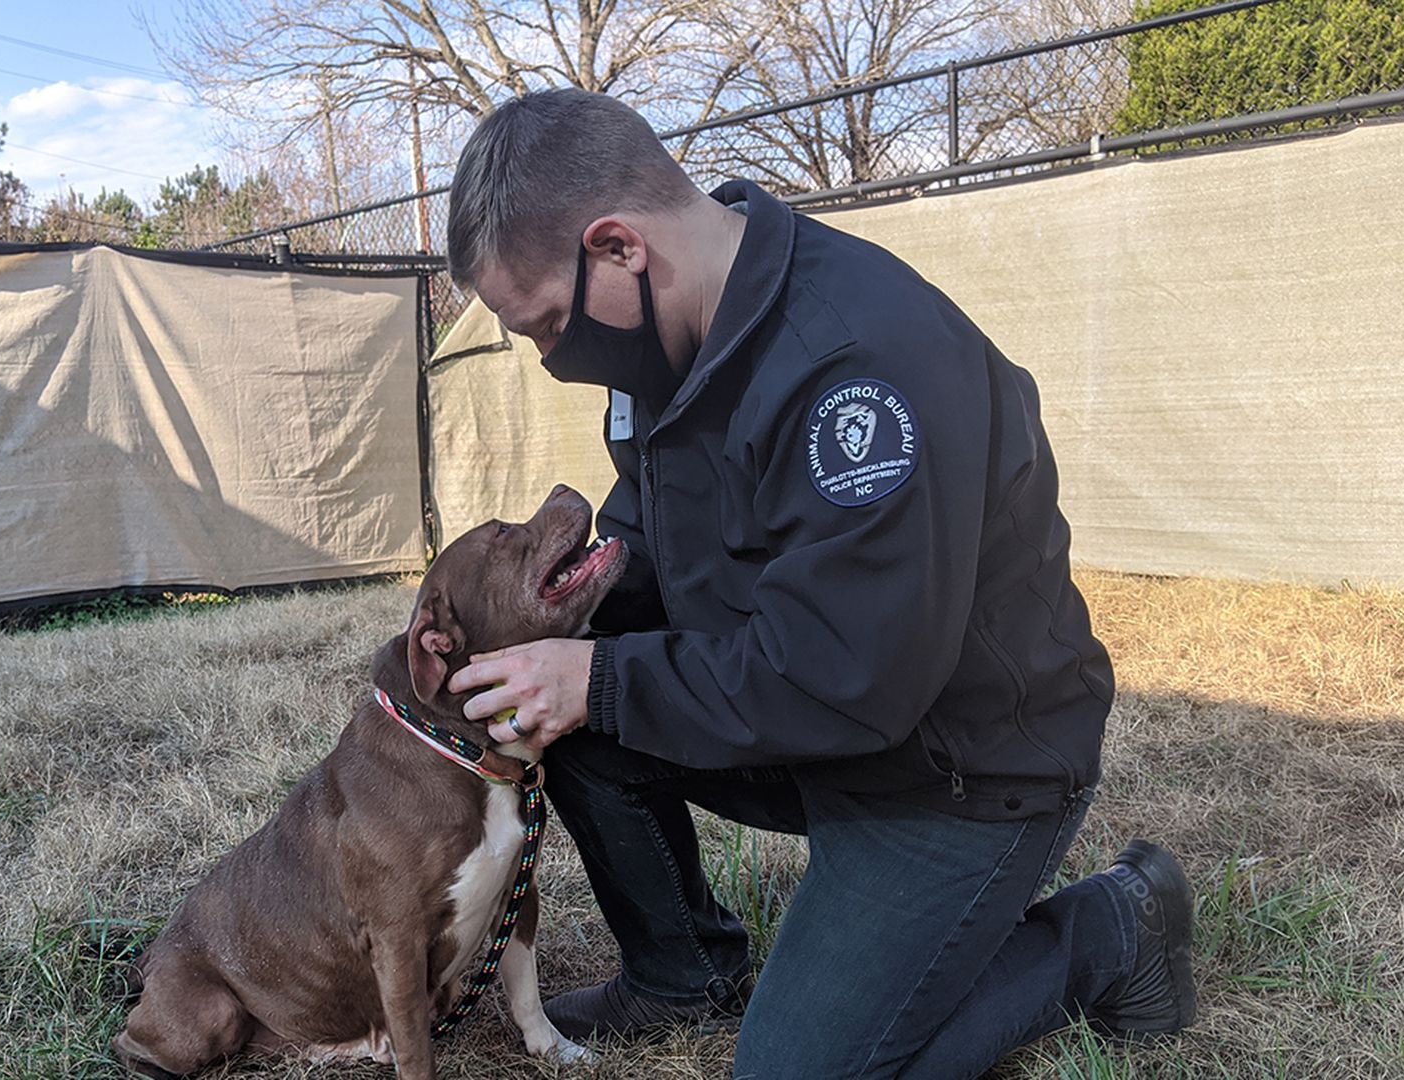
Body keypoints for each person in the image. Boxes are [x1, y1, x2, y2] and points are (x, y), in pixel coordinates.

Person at [442, 88, 1197, 1079]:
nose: (551, 359)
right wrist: (536, 645)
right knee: (563, 703)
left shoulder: (856, 367)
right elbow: (652, 548)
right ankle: (682, 973)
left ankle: (1113, 927)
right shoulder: (667, 345)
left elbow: (851, 676)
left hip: (955, 769)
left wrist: (601, 680)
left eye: (545, 325)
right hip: (807, 723)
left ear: (618, 247)